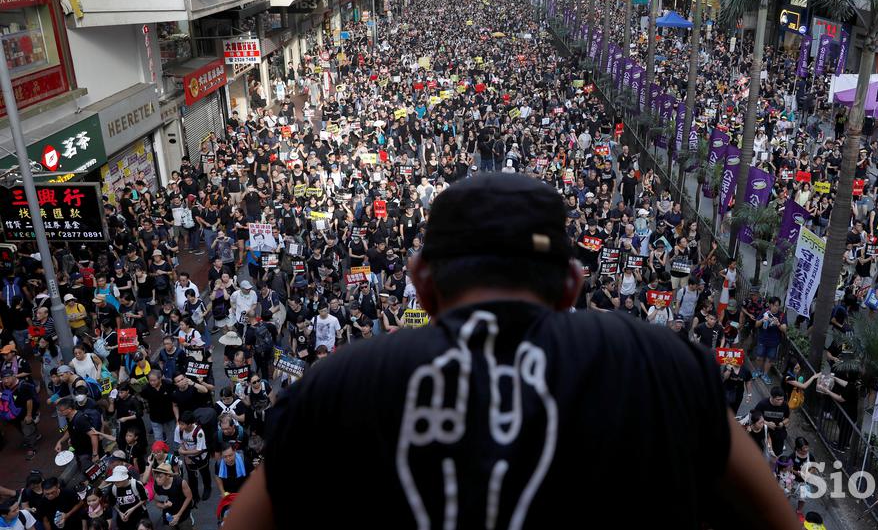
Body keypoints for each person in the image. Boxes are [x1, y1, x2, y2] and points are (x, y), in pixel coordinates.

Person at [225, 173, 795, 529]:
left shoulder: (335, 389)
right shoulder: (662, 366)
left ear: (420, 281)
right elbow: (774, 517)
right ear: (572, 284)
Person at [153, 462, 195, 530]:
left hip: (183, 514)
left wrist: (178, 515)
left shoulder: (180, 482)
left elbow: (189, 497)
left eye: (160, 476)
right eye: (156, 476)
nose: (157, 479)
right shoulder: (156, 486)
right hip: (168, 516)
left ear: (168, 476)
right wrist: (164, 506)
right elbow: (156, 502)